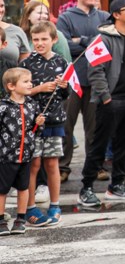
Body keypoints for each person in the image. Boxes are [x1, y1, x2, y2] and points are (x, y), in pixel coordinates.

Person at [77, 0, 125, 207]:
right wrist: (106, 97)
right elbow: (95, 70)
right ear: (116, 14)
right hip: (112, 101)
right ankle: (86, 188)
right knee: (99, 146)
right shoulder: (100, 39)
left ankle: (117, 185)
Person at [56, 0, 110, 182]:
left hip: (97, 80)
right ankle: (63, 167)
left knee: (95, 128)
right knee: (66, 126)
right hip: (72, 80)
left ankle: (96, 166)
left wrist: (79, 40)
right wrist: (90, 41)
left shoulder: (105, 17)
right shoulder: (65, 18)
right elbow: (64, 46)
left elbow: (107, 45)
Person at [20, 22, 68, 226]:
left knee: (52, 163)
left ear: (53, 40)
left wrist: (64, 86)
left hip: (55, 120)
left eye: (44, 39)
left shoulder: (62, 62)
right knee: (34, 164)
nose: (39, 43)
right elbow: (19, 92)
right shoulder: (26, 64)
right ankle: (30, 207)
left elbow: (67, 94)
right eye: (36, 39)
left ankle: (55, 205)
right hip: (32, 121)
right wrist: (39, 88)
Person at [0, 67, 44, 236]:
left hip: (26, 155)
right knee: (2, 189)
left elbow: (35, 131)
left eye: (30, 81)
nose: (30, 84)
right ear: (11, 86)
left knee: (23, 187)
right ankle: (1, 221)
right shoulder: (3, 107)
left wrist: (39, 124)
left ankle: (20, 218)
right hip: (6, 156)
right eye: (25, 81)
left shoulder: (32, 105)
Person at [0, 0, 31, 72]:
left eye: (2, 6)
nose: (1, 10)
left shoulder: (17, 31)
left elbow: (25, 66)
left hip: (9, 82)